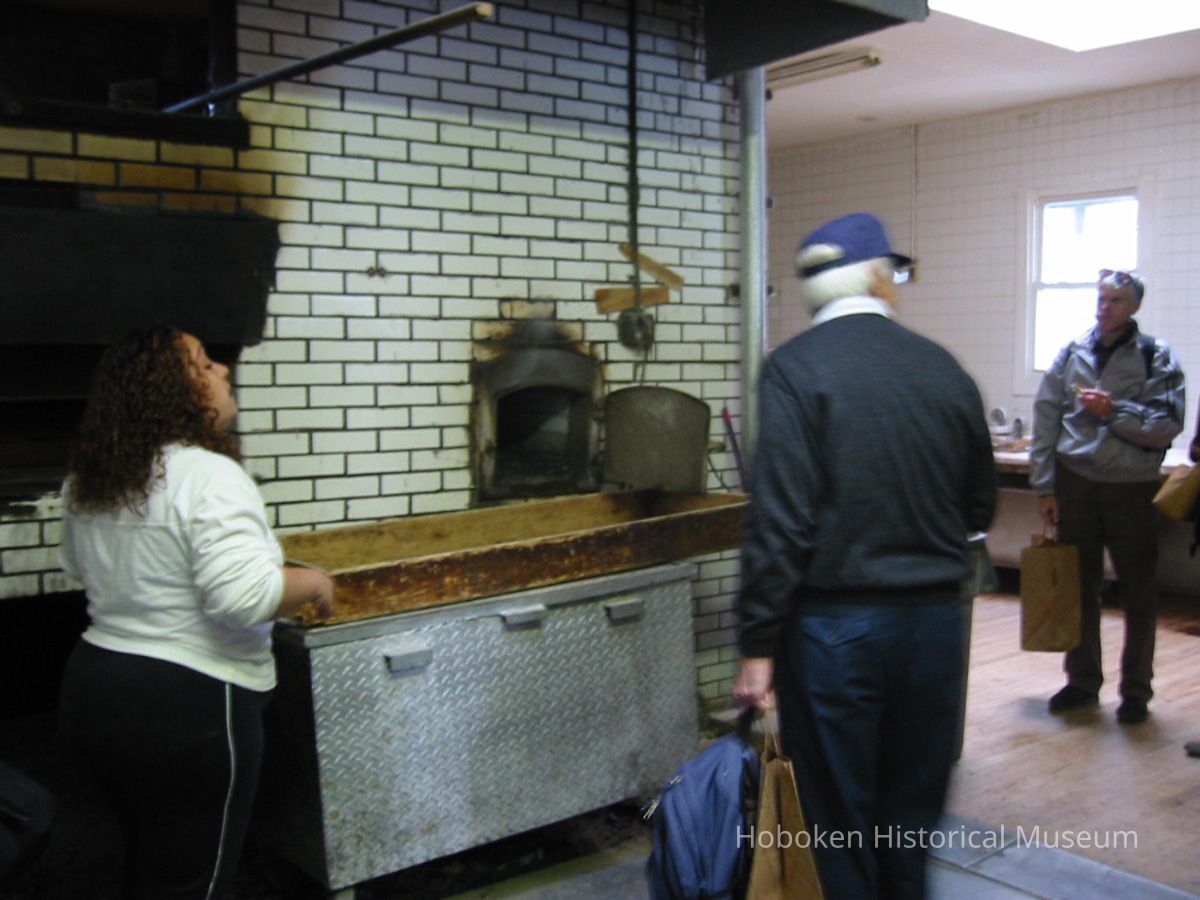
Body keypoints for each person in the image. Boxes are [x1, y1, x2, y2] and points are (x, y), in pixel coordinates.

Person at [732, 212, 997, 899]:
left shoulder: (795, 371)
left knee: (840, 819)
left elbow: (780, 524)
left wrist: (758, 644)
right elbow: (980, 508)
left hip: (834, 634)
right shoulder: (943, 368)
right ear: (879, 277)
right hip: (935, 626)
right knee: (910, 814)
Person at [57, 326, 335, 899]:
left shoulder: (93, 476)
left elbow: (80, 568)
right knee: (195, 883)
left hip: (94, 690)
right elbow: (243, 599)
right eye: (205, 364)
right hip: (189, 705)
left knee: (143, 867)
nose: (224, 371)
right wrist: (314, 582)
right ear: (169, 390)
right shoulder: (208, 473)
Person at [1031, 270, 1184, 725]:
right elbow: (1046, 417)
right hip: (1075, 482)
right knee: (1079, 589)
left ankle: (1135, 691)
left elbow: (1166, 424)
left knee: (1139, 591)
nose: (1104, 307)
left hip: (1131, 487)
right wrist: (1045, 486)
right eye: (1101, 298)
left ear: (1135, 306)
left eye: (1116, 300)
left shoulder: (1156, 356)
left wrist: (1113, 411)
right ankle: (1081, 683)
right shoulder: (1071, 352)